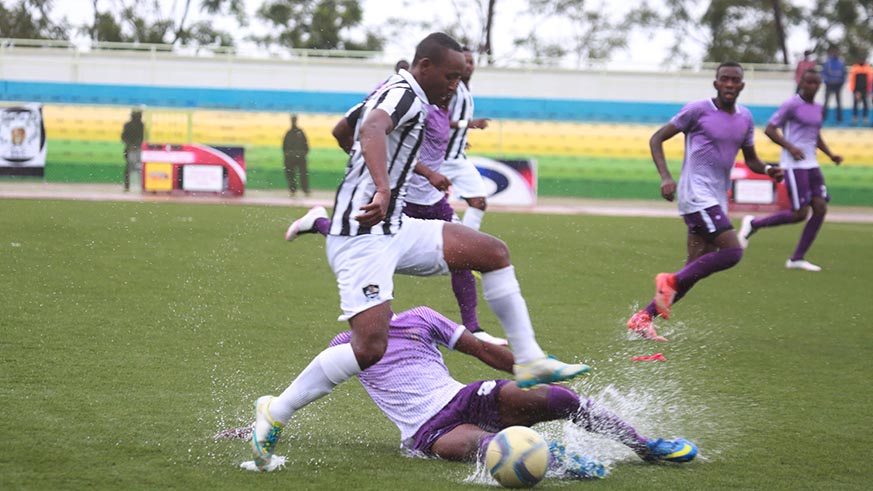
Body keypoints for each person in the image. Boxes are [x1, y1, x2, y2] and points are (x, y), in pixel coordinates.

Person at [250, 32, 589, 470]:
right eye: (450, 76)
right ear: (424, 66)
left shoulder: (400, 93)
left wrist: (374, 171)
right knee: (370, 346)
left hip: (397, 227)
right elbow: (371, 128)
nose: (455, 85)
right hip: (361, 235)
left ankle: (528, 360)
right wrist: (383, 185)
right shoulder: (406, 93)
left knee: (493, 252)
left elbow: (344, 129)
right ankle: (276, 411)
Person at [222, 306, 698, 478]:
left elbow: (481, 351)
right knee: (489, 449)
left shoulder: (421, 318)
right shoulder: (345, 345)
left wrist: (534, 368)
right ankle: (559, 465)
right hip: (427, 431)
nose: (369, 315)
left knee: (557, 400)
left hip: (466, 395)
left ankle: (646, 447)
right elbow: (309, 390)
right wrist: (263, 422)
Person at [291, 93, 508, 346]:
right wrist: (425, 172)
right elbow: (370, 139)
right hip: (404, 199)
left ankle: (473, 328)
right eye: (449, 76)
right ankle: (320, 224)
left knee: (461, 255)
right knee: (363, 241)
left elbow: (440, 131)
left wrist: (459, 135)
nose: (452, 83)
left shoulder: (436, 106)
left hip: (433, 200)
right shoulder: (396, 105)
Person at [626, 62, 784, 341]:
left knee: (693, 269)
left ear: (742, 86)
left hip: (716, 199)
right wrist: (665, 177)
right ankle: (668, 281)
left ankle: (643, 318)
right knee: (733, 252)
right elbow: (657, 138)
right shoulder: (698, 110)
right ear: (716, 83)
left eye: (735, 80)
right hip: (696, 195)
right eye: (725, 79)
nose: (730, 84)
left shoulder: (745, 118)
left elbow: (751, 160)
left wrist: (769, 170)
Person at [737, 70, 843, 272]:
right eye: (809, 82)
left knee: (820, 208)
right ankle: (754, 224)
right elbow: (770, 129)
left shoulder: (818, 108)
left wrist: (830, 154)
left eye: (816, 83)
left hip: (812, 164)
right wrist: (790, 147)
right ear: (801, 82)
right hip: (794, 166)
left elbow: (815, 135)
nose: (813, 86)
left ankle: (797, 258)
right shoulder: (791, 105)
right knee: (799, 214)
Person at [442, 46, 491, 231]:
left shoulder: (465, 89)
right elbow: (436, 120)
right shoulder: (450, 88)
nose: (469, 66)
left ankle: (467, 244)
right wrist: (468, 124)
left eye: (471, 62)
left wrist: (461, 138)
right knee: (428, 208)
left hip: (457, 158)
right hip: (440, 159)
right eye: (465, 62)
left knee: (478, 202)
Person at [282, 114, 310, 196]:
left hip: (299, 157)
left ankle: (304, 189)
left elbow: (306, 145)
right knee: (291, 174)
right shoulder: (290, 133)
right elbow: (284, 147)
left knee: (303, 174)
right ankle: (293, 189)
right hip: (291, 157)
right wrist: (288, 155)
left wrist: (302, 154)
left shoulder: (299, 132)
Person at [821, 46, 847, 123]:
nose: (835, 54)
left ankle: (839, 118)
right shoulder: (827, 62)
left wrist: (841, 83)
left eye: (837, 52)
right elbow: (823, 73)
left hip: (838, 85)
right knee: (826, 102)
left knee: (838, 102)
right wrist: (826, 81)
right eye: (834, 52)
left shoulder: (841, 63)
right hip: (829, 85)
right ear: (831, 53)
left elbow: (844, 74)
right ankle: (823, 117)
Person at [121, 109, 144, 192]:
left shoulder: (142, 125)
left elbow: (143, 138)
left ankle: (141, 186)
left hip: (137, 149)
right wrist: (131, 145)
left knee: (139, 168)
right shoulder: (129, 125)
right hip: (131, 149)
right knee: (131, 168)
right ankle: (128, 186)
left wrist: (136, 145)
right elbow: (124, 137)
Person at [848, 57, 872, 126]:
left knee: (865, 104)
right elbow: (852, 79)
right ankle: (855, 118)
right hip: (857, 90)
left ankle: (865, 118)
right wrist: (853, 89)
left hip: (865, 90)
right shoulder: (855, 68)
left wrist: (869, 90)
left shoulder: (867, 68)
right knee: (855, 104)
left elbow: (870, 80)